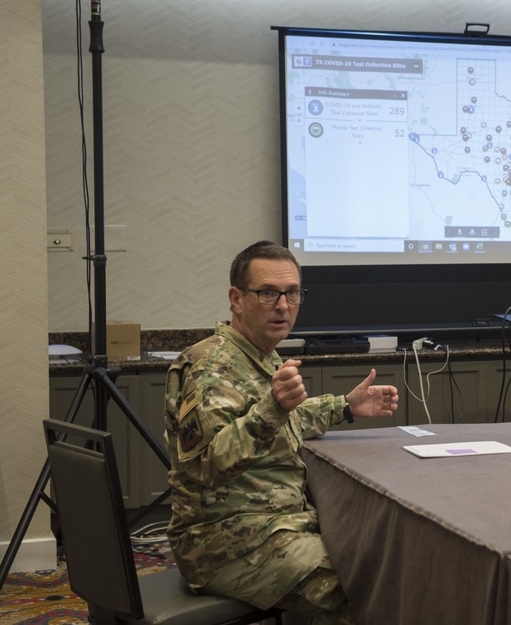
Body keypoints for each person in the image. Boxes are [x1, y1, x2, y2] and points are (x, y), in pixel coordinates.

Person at [163, 240, 399, 623]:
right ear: (236, 299)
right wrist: (272, 407)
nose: (283, 305)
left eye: (292, 293)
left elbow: (285, 420)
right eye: (268, 293)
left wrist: (343, 406)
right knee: (358, 585)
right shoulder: (210, 368)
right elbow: (205, 466)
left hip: (275, 526)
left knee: (378, 556)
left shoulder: (257, 355)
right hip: (224, 543)